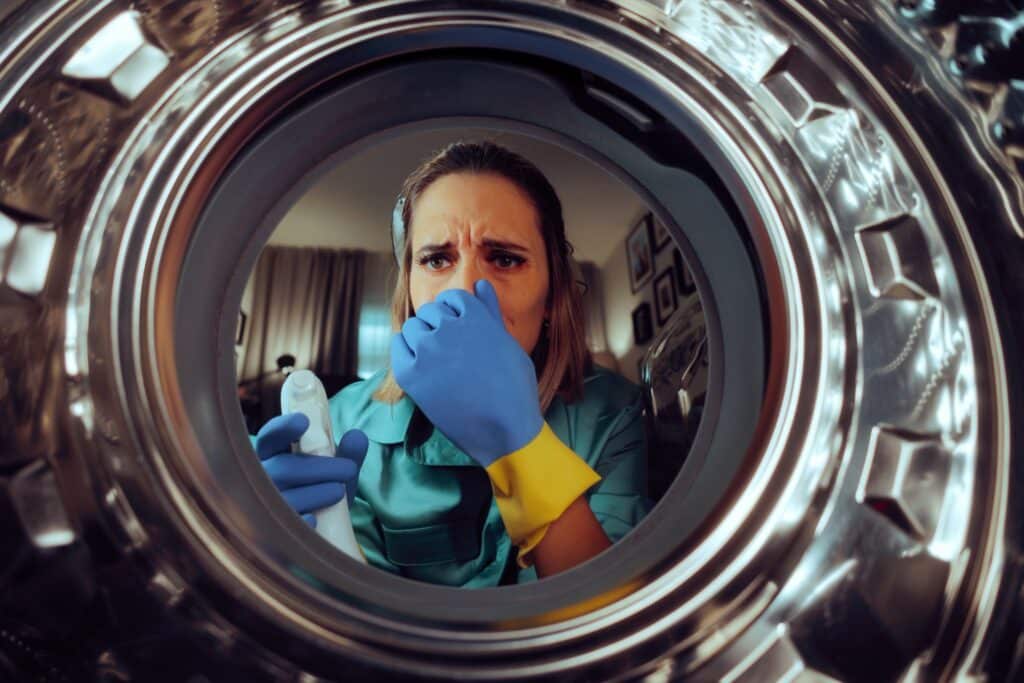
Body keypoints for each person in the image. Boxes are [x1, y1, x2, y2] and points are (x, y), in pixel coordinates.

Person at [254, 141, 651, 587]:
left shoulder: (615, 413)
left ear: (552, 295)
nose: (463, 293)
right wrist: (297, 553)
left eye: (504, 258)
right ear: (410, 292)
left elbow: (609, 611)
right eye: (437, 259)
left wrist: (520, 443)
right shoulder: (341, 422)